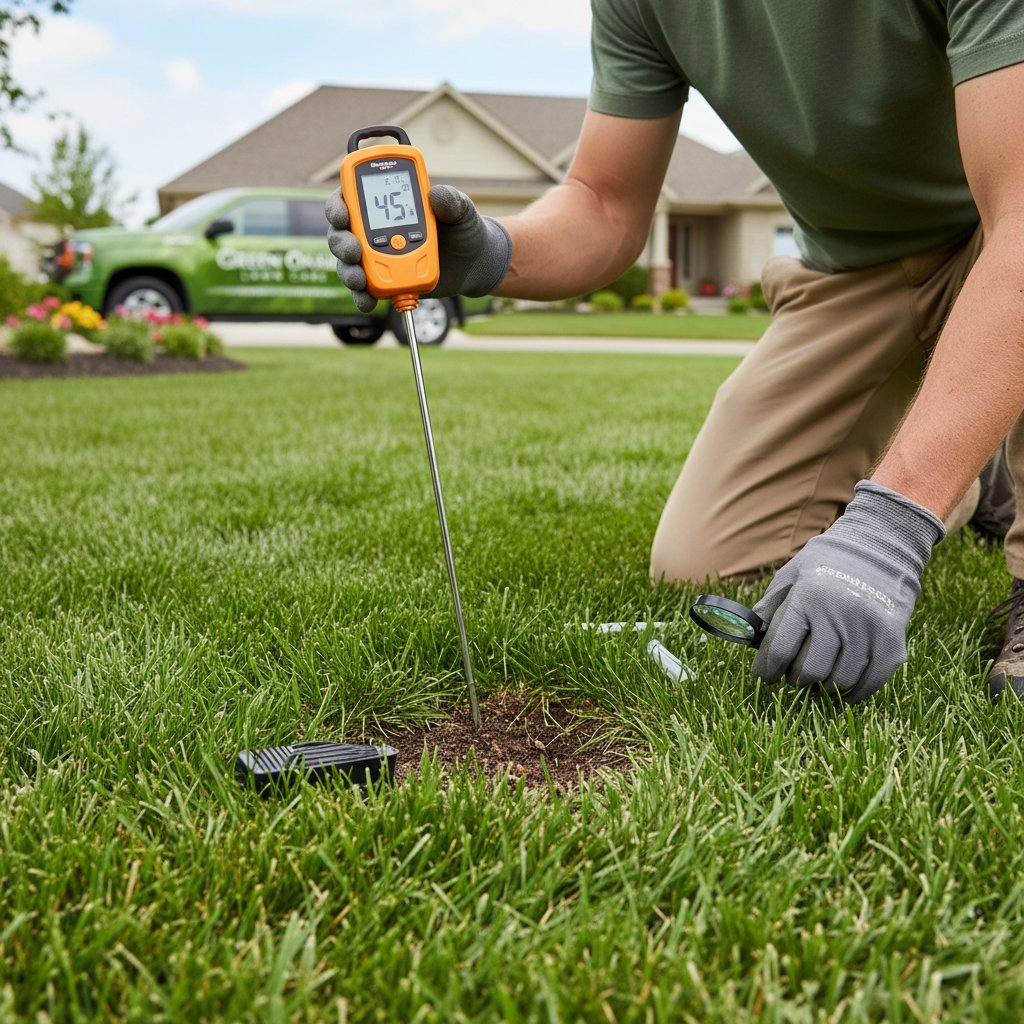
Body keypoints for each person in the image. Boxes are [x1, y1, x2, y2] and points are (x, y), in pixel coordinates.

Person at [327, 1, 1024, 704]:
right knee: (706, 561)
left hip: (1007, 233)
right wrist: (494, 253)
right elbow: (603, 200)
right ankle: (974, 467)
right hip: (859, 274)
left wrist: (890, 526)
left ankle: (955, 477)